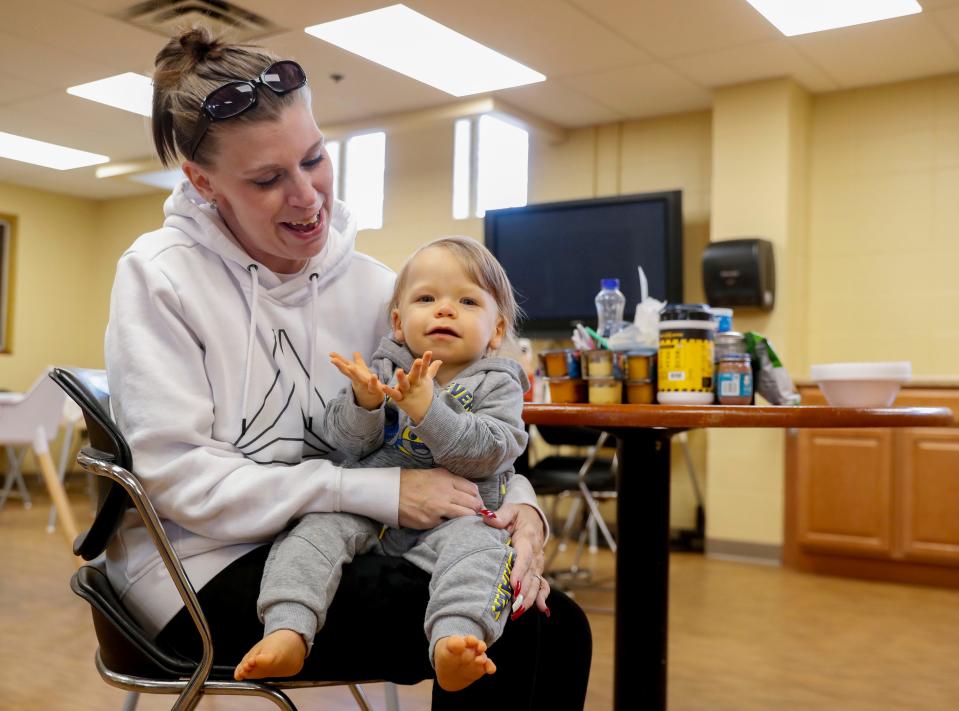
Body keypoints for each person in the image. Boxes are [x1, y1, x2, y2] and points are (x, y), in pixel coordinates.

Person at [104, 27, 591, 708]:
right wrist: (378, 493)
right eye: (268, 179)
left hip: (355, 537)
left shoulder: (373, 288)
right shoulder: (159, 277)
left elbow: (461, 424)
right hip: (197, 561)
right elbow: (181, 481)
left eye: (313, 160)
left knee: (545, 618)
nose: (307, 198)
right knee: (524, 636)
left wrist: (523, 515)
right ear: (202, 182)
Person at [236, 237, 532, 691]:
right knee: (312, 532)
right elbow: (349, 446)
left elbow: (490, 452)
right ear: (398, 321)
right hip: (370, 510)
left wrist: (427, 410)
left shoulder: (500, 384)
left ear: (496, 331)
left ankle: (456, 640)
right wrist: (364, 403)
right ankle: (287, 628)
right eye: (426, 298)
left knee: (487, 555)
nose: (445, 310)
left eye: (468, 301)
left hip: (460, 520)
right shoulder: (384, 366)